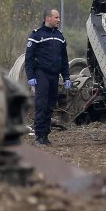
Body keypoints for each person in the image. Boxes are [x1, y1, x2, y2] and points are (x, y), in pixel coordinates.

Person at [25, 8, 71, 146]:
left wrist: (67, 76)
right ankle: (39, 136)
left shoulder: (60, 36)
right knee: (42, 105)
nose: (59, 20)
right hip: (41, 75)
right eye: (56, 17)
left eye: (59, 17)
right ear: (48, 18)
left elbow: (64, 58)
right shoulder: (36, 36)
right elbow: (29, 58)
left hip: (54, 75)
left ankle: (45, 136)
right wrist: (31, 75)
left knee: (51, 106)